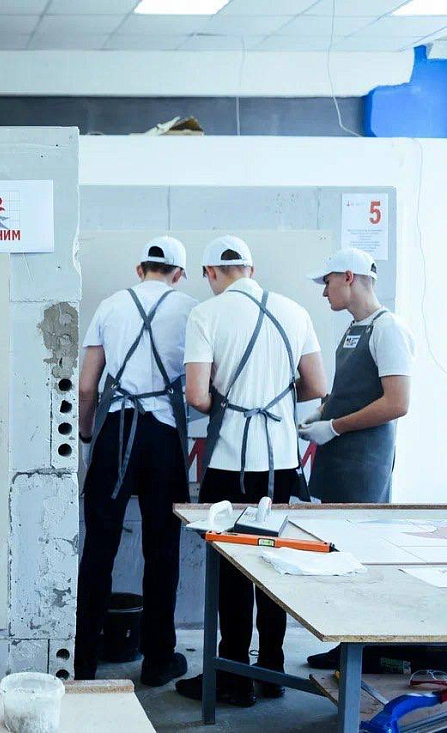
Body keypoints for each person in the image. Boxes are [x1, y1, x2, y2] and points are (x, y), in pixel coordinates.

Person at [175, 235, 327, 707]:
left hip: (228, 462)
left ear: (210, 273)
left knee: (233, 569)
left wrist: (232, 403)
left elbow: (197, 396)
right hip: (281, 462)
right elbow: (317, 385)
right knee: (274, 563)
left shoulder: (206, 314)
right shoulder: (295, 311)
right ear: (251, 269)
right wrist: (274, 398)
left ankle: (233, 674)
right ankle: (272, 670)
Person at [74, 237, 196, 686]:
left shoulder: (110, 306)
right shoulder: (192, 310)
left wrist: (88, 435)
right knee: (162, 549)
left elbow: (86, 386)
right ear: (178, 274)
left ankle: (83, 661)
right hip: (163, 436)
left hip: (116, 431)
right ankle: (158, 660)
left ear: (139, 268)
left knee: (98, 548)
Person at [300, 247, 414, 670]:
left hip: (363, 462)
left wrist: (334, 426)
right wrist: (322, 411)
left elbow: (397, 403)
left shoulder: (388, 329)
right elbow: (354, 389)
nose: (323, 292)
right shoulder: (354, 329)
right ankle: (344, 647)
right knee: (338, 556)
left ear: (348, 276)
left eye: (326, 282)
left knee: (358, 559)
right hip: (339, 459)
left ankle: (365, 652)